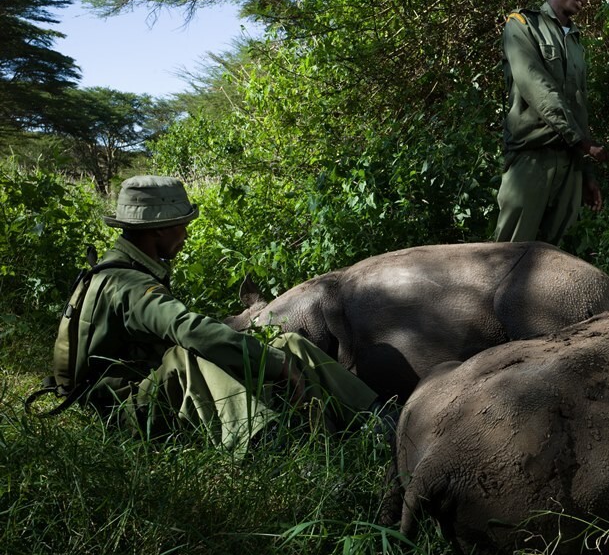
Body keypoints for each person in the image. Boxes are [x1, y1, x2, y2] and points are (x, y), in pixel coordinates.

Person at [49, 175, 386, 453]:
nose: (185, 234)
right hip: (122, 411)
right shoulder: (130, 285)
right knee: (191, 354)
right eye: (181, 225)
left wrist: (276, 355)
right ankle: (270, 446)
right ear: (158, 230)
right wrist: (275, 366)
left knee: (290, 344)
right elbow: (189, 331)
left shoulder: (123, 271)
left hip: (140, 391)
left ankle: (380, 420)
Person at [493, 0, 609, 245]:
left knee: (555, 263)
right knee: (509, 256)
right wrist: (583, 142)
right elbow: (536, 85)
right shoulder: (522, 25)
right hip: (532, 158)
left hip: (570, 164)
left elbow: (579, 108)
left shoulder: (576, 41)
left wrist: (585, 172)